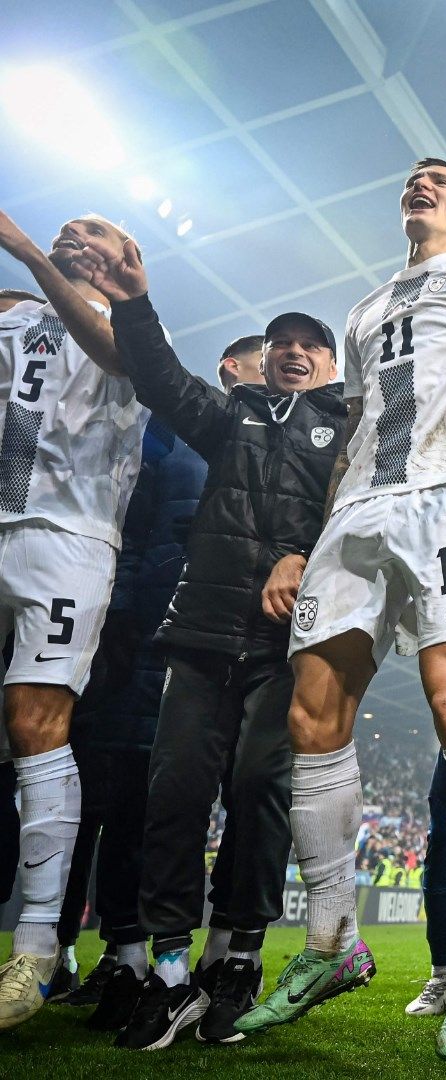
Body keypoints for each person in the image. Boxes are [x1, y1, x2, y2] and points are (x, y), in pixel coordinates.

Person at [233, 158, 446, 1061]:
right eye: (414, 179)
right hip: (358, 510)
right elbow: (355, 427)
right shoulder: (365, 309)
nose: (422, 185)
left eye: (441, 181)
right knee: (312, 716)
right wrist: (312, 533)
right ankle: (333, 940)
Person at [65, 229, 349, 1047]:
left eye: (310, 344)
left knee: (259, 788)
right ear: (263, 362)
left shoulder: (352, 431)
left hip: (290, 642)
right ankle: (168, 970)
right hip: (198, 634)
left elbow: (368, 511)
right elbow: (159, 377)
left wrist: (305, 556)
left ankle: (236, 957)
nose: (293, 352)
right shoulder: (232, 420)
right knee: (175, 795)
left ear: (330, 365)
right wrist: (133, 300)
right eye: (281, 342)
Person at [0, 210, 147, 1032]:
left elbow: (121, 357)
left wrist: (25, 252)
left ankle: (35, 950)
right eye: (65, 227)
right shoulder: (16, 313)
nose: (71, 233)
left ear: (126, 257)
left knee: (36, 724)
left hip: (69, 539)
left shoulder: (132, 326)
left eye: (95, 229)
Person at [53, 417, 202, 1044]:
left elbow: (168, 550)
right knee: (112, 811)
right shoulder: (134, 439)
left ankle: (148, 964)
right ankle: (119, 959)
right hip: (116, 652)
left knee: (142, 815)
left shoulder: (182, 450)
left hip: (149, 651)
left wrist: (125, 616)